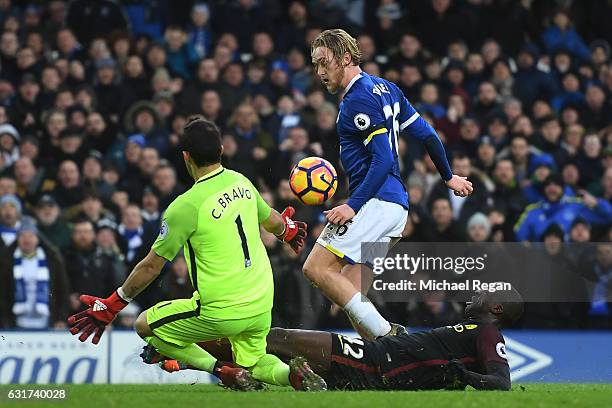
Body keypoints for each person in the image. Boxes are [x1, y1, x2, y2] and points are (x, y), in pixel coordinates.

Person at [67, 117, 325, 391]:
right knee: (255, 360)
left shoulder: (186, 206)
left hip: (220, 309)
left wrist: (115, 303)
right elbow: (273, 220)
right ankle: (294, 376)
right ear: (222, 150)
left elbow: (152, 266)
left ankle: (222, 371)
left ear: (186, 157)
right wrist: (288, 230)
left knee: (145, 326)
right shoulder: (242, 182)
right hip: (261, 303)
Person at [306, 29, 473, 339]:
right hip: (396, 209)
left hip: (375, 203)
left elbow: (383, 159)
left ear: (345, 58)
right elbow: (428, 135)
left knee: (315, 268)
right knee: (352, 295)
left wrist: (352, 206)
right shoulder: (387, 89)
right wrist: (448, 176)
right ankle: (386, 367)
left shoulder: (358, 99)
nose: (320, 73)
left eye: (324, 63)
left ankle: (393, 337)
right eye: (315, 65)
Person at [146, 288, 524, 391]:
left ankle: (177, 350)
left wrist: (464, 376)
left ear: (496, 310)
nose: (476, 296)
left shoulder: (488, 333)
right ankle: (183, 359)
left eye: (487, 296)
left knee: (276, 339)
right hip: (380, 359)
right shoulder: (477, 332)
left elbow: (501, 383)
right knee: (278, 351)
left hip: (377, 362)